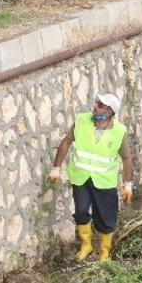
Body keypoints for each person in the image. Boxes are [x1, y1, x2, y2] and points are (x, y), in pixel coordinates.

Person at [48, 92, 134, 263]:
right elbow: (66, 142)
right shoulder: (81, 121)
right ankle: (86, 246)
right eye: (97, 103)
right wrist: (56, 168)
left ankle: (104, 252)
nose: (96, 107)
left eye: (101, 105)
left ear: (110, 112)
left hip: (104, 181)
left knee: (105, 217)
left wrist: (128, 184)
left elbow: (126, 158)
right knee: (80, 211)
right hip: (81, 178)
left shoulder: (118, 131)